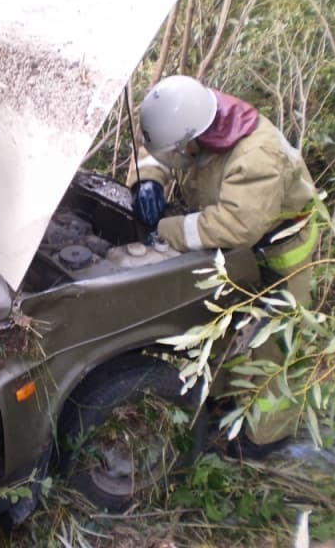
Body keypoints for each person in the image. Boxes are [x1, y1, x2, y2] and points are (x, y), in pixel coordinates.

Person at [128, 75, 318, 456]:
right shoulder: (192, 116)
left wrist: (168, 229)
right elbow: (159, 151)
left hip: (282, 252)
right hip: (235, 250)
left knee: (276, 344)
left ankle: (264, 437)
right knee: (220, 321)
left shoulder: (257, 156)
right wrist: (146, 180)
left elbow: (236, 224)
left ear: (192, 141)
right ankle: (223, 400)